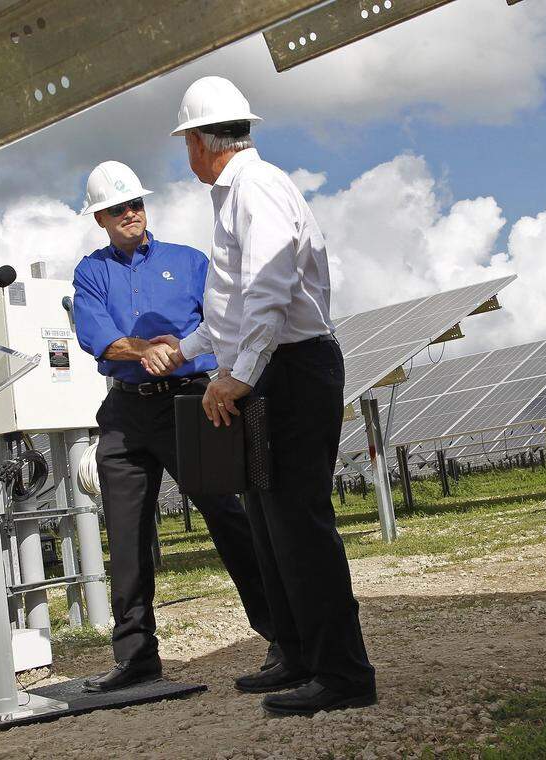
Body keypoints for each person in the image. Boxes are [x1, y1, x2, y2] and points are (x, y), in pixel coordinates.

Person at [146, 77, 377, 716]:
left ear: (197, 141)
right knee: (272, 522)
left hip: (291, 369)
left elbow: (272, 292)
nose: (186, 155)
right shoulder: (236, 194)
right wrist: (190, 350)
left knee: (298, 522)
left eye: (185, 143)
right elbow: (236, 309)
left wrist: (236, 376)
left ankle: (344, 674)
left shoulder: (258, 188)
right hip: (272, 367)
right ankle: (299, 654)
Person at [72, 160, 278, 692]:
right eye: (117, 208)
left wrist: (181, 355)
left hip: (189, 402)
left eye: (136, 203)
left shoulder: (190, 263)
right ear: (100, 217)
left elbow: (221, 322)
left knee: (228, 516)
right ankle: (137, 656)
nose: (130, 214)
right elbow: (99, 337)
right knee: (125, 533)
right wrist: (150, 349)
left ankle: (283, 636)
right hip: (123, 411)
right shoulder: (91, 273)